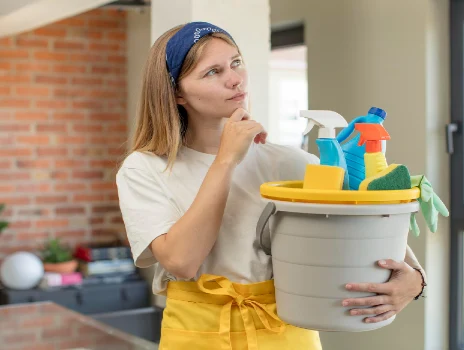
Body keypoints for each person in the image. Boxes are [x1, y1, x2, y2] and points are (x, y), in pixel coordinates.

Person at [116, 21, 427, 350]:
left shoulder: (288, 162)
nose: (235, 79)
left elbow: (378, 235)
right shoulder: (144, 169)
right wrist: (226, 160)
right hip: (198, 335)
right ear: (177, 92)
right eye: (213, 72)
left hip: (287, 333)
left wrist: (415, 281)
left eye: (236, 62)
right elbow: (181, 261)